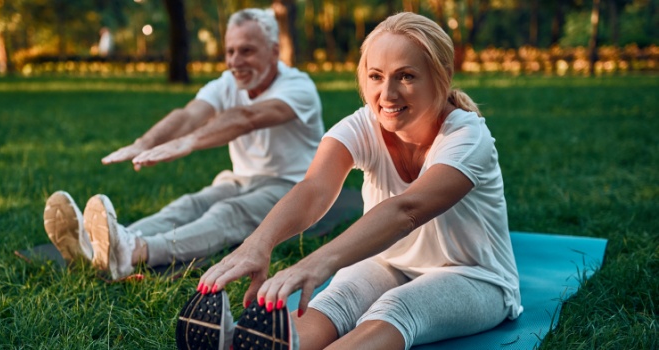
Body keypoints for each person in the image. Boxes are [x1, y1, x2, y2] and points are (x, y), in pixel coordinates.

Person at [187, 12, 522, 350]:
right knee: (336, 299)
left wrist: (317, 262)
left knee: (396, 309)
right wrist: (259, 243)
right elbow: (314, 189)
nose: (387, 94)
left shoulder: (467, 137)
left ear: (442, 76)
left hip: (474, 277)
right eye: (376, 76)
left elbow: (406, 210)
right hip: (387, 262)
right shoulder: (363, 125)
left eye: (405, 76)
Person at [43, 8, 324, 281]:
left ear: (274, 51)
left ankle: (136, 252)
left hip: (294, 185)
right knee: (187, 205)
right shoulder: (228, 82)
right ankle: (100, 244)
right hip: (241, 179)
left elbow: (247, 117)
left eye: (247, 51)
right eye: (230, 51)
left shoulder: (299, 88)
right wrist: (143, 143)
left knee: (228, 213)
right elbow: (189, 115)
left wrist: (189, 142)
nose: (235, 61)